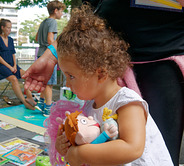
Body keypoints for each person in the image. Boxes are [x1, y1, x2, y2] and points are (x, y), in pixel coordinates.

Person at [23, 1, 184, 165]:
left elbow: (133, 148)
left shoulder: (127, 102)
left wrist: (81, 153)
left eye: (71, 76)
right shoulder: (90, 105)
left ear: (100, 74)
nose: (67, 85)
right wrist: (66, 144)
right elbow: (94, 139)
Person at [0, 18, 35, 110]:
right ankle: (24, 102)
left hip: (12, 65)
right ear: (2, 27)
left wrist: (14, 66)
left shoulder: (10, 40)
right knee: (14, 79)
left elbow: (13, 54)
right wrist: (10, 68)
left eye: (11, 28)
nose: (10, 30)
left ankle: (29, 97)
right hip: (0, 66)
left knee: (27, 74)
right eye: (8, 28)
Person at [34, 0, 66, 117]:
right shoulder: (52, 22)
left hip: (40, 54)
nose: (62, 14)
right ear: (55, 11)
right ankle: (48, 108)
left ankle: (41, 103)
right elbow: (49, 39)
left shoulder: (43, 22)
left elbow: (37, 37)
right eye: (61, 11)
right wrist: (57, 51)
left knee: (44, 81)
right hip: (48, 56)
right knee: (49, 84)